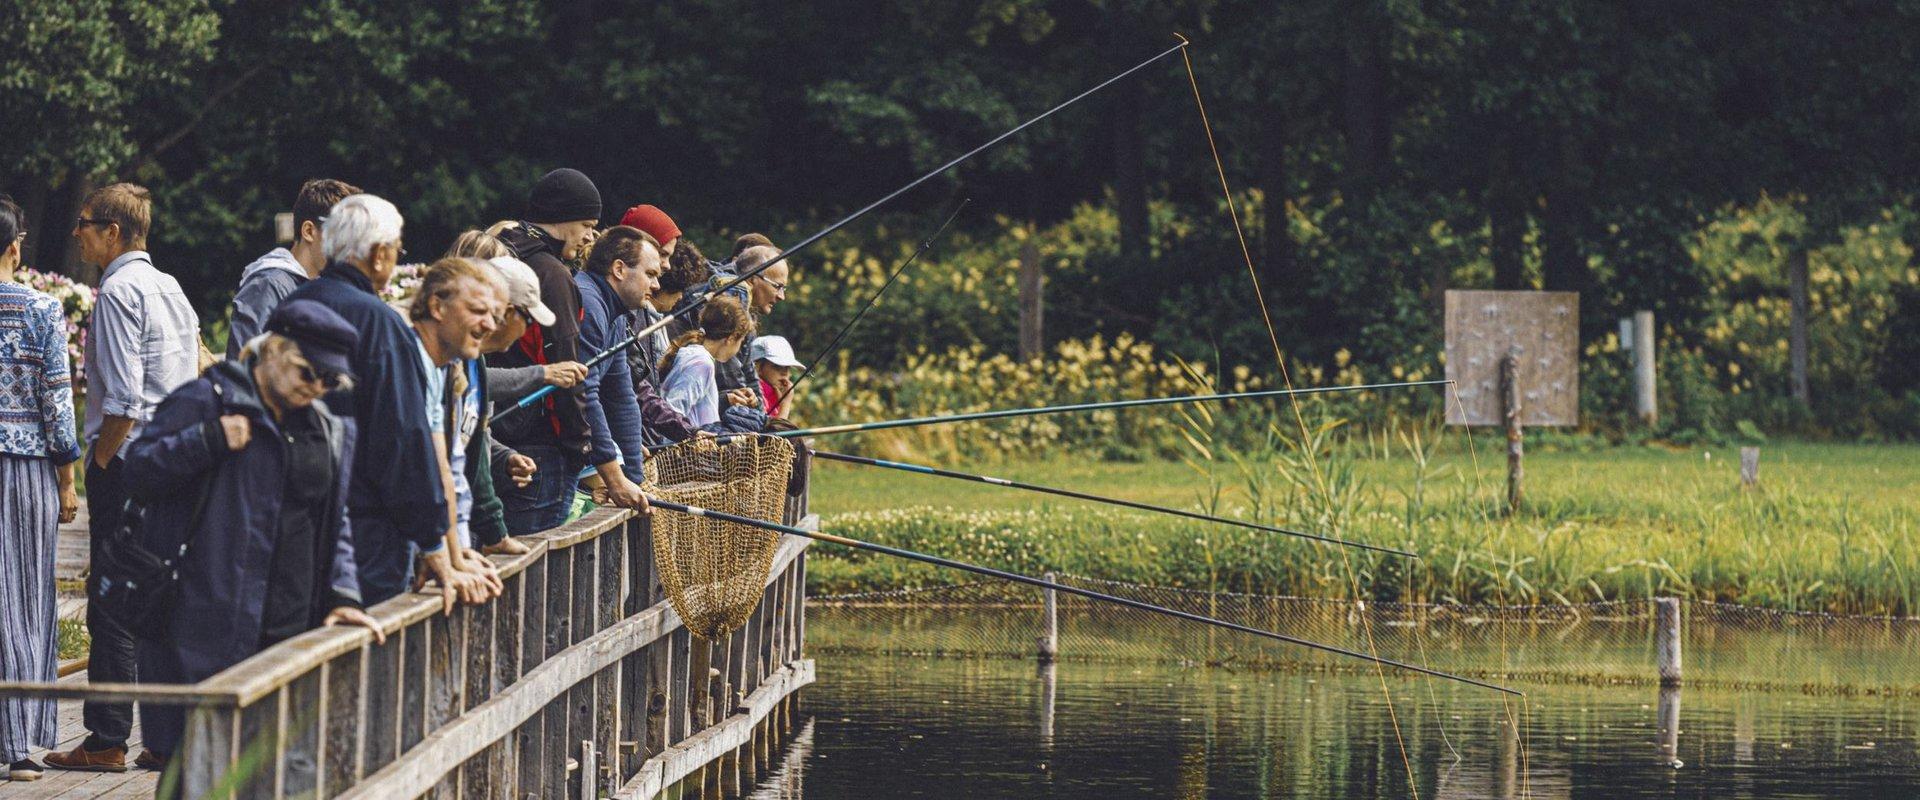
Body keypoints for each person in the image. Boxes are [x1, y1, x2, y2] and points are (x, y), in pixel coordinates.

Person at [126, 300, 384, 764]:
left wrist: (344, 594)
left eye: (330, 381)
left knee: (278, 771)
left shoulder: (326, 427)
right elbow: (139, 471)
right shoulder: (207, 399)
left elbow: (334, 519)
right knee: (198, 770)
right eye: (309, 373)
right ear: (273, 350)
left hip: (292, 632)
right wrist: (207, 441)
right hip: (205, 633)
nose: (317, 387)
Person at [47, 182, 201, 774]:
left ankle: (107, 737)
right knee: (164, 594)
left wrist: (99, 464)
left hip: (130, 460)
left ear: (112, 231)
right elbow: (190, 372)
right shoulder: (171, 287)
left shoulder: (116, 290)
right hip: (176, 461)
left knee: (111, 600)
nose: (77, 232)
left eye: (84, 223)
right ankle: (164, 738)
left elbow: (124, 399)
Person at [279, 194, 488, 610]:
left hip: (293, 518)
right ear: (378, 256)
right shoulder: (380, 323)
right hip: (367, 530)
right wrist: (432, 543)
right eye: (396, 250)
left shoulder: (294, 304)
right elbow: (404, 437)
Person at [0, 197, 80, 782]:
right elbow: (57, 400)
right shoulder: (42, 310)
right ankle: (20, 743)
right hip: (25, 471)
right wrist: (69, 477)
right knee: (26, 597)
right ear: (14, 247)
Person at [490, 169, 602, 535]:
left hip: (498, 437)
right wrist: (582, 450)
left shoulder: (503, 251)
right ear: (562, 217)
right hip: (540, 452)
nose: (590, 236)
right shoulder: (551, 273)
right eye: (586, 224)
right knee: (535, 573)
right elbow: (566, 367)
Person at [407, 259, 511, 591]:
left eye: (495, 315)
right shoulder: (411, 359)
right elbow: (418, 467)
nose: (491, 325)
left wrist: (457, 554)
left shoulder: (445, 367)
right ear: (437, 306)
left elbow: (446, 470)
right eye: (479, 311)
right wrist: (438, 551)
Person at [471, 255, 560, 556]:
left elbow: (471, 434)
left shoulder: (474, 361)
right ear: (507, 312)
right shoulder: (450, 361)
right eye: (529, 321)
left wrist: (503, 458)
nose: (527, 331)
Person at [572, 226, 660, 512]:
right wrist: (615, 479)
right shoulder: (589, 302)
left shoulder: (617, 314)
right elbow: (585, 392)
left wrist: (635, 480)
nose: (656, 285)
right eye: (650, 274)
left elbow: (621, 397)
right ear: (619, 269)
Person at [225, 179, 362, 359]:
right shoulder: (268, 285)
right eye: (342, 234)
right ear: (309, 231)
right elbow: (243, 362)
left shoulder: (323, 285)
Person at [626, 239, 707, 446]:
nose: (666, 266)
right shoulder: (631, 319)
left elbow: (639, 388)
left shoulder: (646, 319)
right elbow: (633, 391)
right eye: (663, 255)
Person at [657, 296, 754, 429]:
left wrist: (728, 399)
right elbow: (674, 410)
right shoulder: (701, 364)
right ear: (731, 338)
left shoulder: (695, 354)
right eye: (741, 341)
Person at [750, 335, 803, 418]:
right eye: (777, 366)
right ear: (758, 367)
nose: (785, 373)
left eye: (787, 367)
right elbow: (776, 429)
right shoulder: (752, 394)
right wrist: (785, 405)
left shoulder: (774, 393)